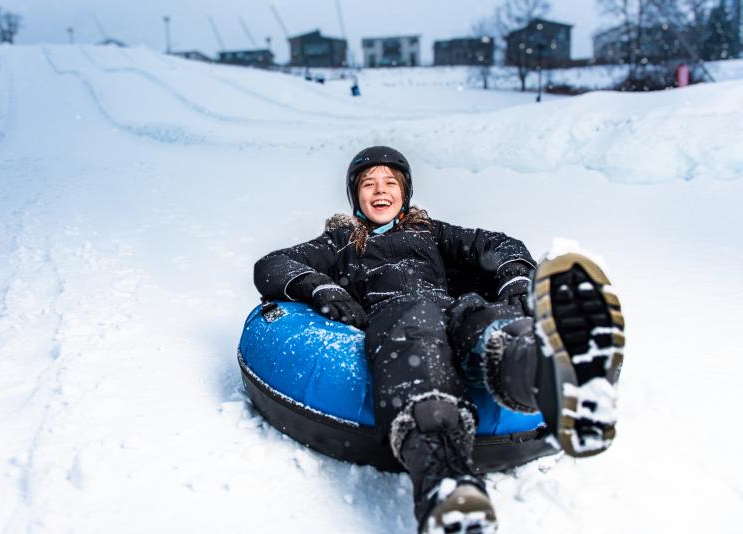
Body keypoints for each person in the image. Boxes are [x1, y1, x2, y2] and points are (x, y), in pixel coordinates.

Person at [253, 146, 625, 534]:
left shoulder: (428, 231)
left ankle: (547, 372)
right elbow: (273, 265)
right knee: (415, 333)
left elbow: (494, 243)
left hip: (450, 309)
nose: (380, 191)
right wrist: (323, 288)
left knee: (482, 316)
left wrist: (515, 276)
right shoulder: (342, 242)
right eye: (369, 183)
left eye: (390, 182)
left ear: (405, 192)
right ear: (356, 196)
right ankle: (445, 481)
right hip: (395, 317)